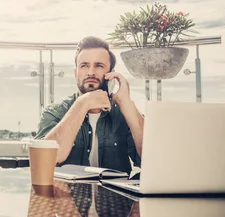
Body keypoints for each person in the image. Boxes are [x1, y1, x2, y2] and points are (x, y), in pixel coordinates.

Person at [35, 36, 144, 173]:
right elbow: (43, 162)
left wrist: (126, 104)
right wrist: (82, 103)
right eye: (84, 65)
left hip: (114, 194)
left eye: (99, 65)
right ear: (76, 74)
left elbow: (152, 161)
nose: (91, 72)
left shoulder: (124, 114)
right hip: (67, 193)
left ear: (111, 74)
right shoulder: (55, 112)